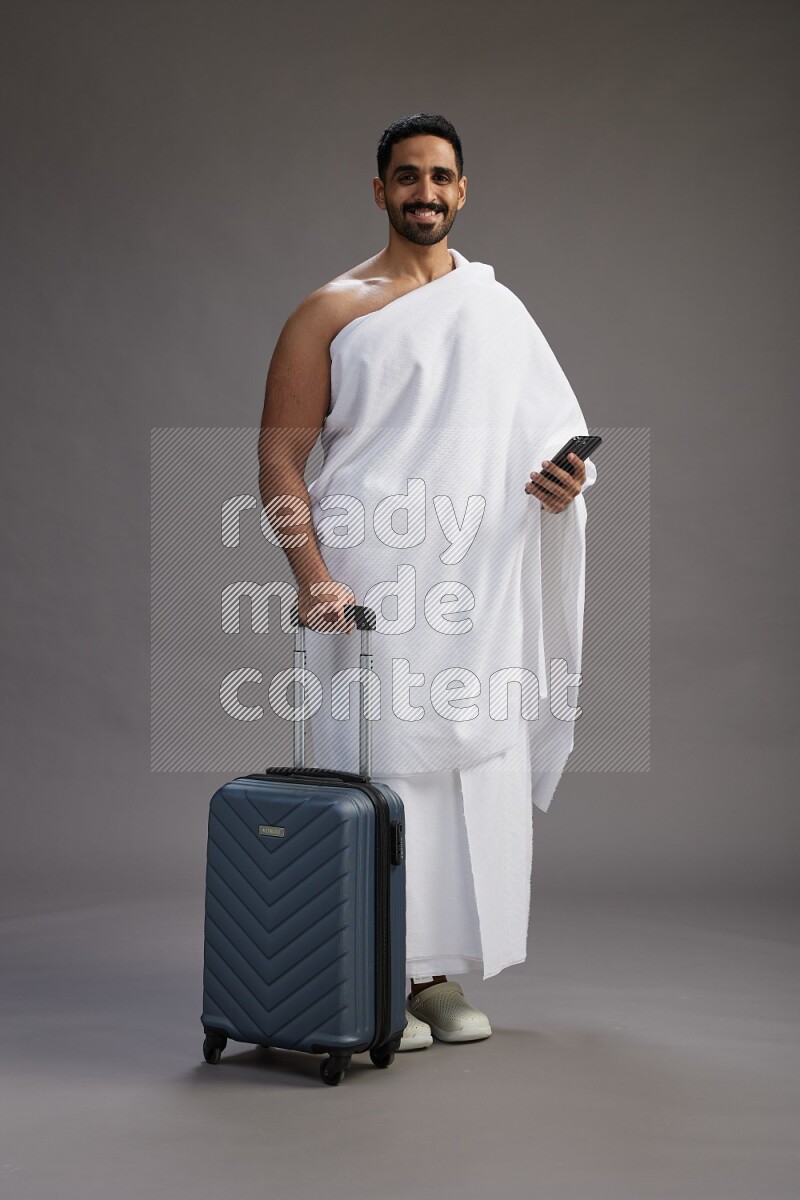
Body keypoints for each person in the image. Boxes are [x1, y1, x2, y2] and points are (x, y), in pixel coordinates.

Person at [258, 113, 596, 1052]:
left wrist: (563, 486)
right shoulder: (331, 309)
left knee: (463, 767)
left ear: (462, 190)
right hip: (368, 582)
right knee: (377, 763)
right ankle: (368, 964)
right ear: (379, 191)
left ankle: (434, 973)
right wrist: (313, 578)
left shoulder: (497, 309)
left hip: (478, 581)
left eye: (442, 178)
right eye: (407, 177)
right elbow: (280, 466)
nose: (426, 193)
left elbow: (552, 438)